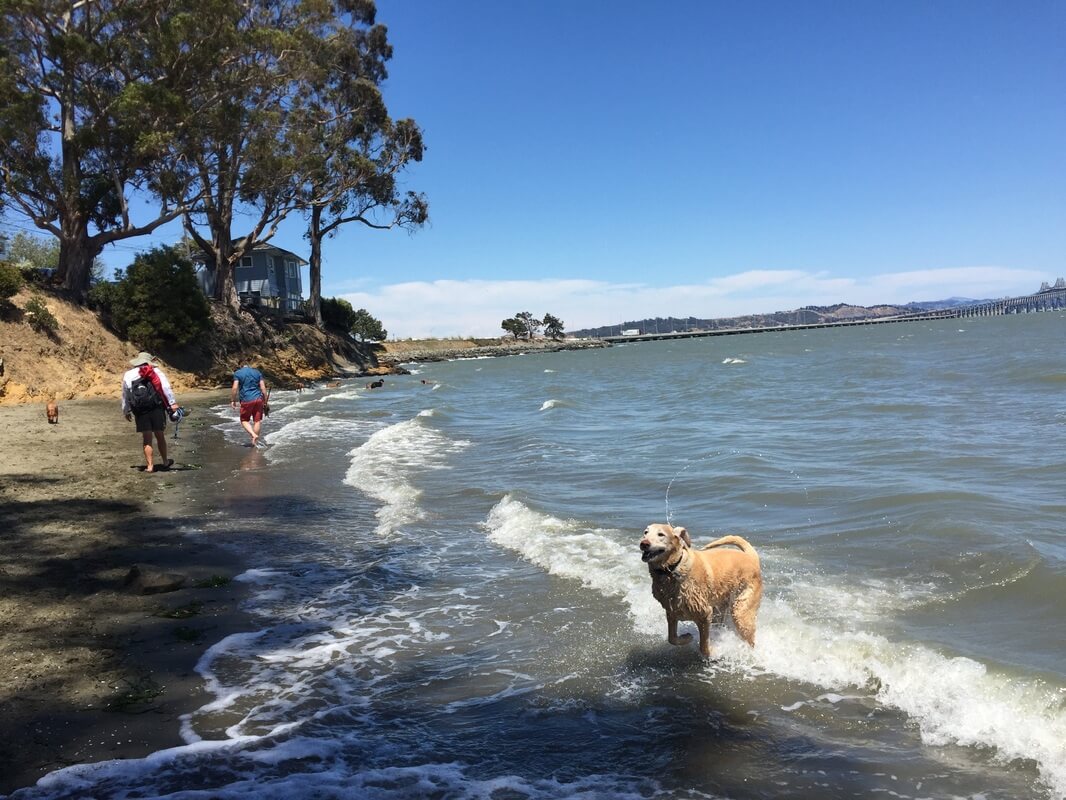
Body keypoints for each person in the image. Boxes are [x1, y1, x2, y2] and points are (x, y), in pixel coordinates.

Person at [121, 352, 179, 473]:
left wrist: (126, 410)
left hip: (140, 409)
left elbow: (126, 394)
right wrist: (172, 403)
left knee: (147, 438)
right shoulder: (156, 372)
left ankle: (150, 466)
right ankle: (165, 462)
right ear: (149, 361)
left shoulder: (128, 375)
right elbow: (165, 388)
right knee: (159, 435)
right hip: (156, 407)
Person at [231, 363, 269, 447]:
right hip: (258, 399)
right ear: (249, 365)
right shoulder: (257, 372)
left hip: (246, 399)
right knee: (257, 421)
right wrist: (265, 400)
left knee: (244, 420)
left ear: (241, 366)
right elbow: (263, 388)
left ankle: (253, 435)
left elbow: (234, 388)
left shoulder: (238, 373)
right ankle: (255, 442)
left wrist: (233, 400)